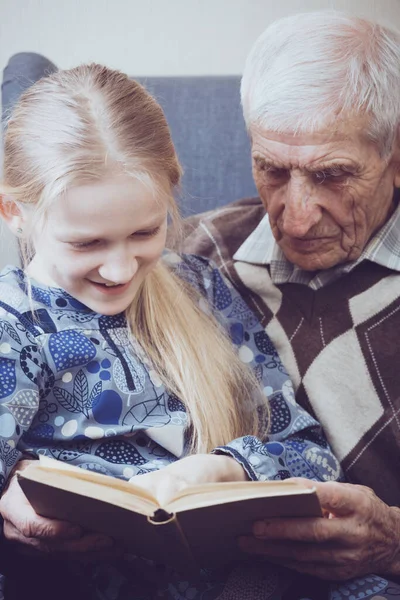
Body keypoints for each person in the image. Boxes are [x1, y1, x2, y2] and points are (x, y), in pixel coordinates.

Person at [0, 62, 369, 600]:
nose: (122, 269)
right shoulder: (14, 324)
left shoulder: (198, 287)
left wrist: (228, 470)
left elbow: (312, 455)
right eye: (86, 244)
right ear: (13, 211)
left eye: (145, 232)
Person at [178, 8, 400, 590]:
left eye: (332, 175)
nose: (297, 220)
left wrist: (393, 544)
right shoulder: (181, 257)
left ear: (395, 154)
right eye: (272, 170)